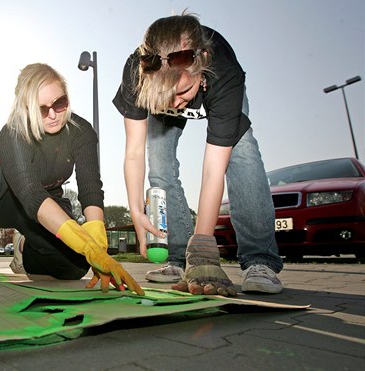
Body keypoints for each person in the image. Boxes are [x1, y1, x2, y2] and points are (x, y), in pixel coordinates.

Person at [0, 63, 143, 295]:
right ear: (26, 108)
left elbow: (91, 187)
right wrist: (84, 244)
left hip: (49, 201)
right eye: (41, 109)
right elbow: (31, 195)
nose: (53, 115)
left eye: (59, 103)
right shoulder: (12, 133)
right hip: (7, 199)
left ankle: (23, 249)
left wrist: (97, 248)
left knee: (75, 266)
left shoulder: (81, 131)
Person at [113, 13, 283, 296]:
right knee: (160, 168)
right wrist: (135, 208)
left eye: (182, 92)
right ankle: (177, 259)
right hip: (167, 88)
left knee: (242, 153)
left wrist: (203, 246)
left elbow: (212, 170)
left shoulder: (223, 71)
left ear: (201, 64)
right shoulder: (136, 73)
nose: (174, 105)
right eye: (165, 97)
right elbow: (133, 153)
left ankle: (259, 261)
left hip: (219, 92)